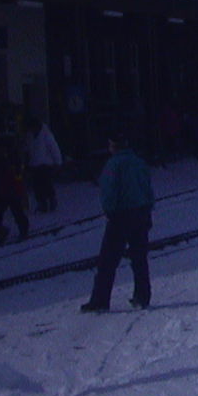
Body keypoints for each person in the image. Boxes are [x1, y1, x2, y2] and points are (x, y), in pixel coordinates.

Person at [81, 129, 154, 313]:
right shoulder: (138, 162)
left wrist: (109, 211)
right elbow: (148, 188)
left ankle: (100, 300)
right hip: (141, 213)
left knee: (107, 261)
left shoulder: (112, 165)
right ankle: (142, 296)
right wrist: (148, 209)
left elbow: (108, 192)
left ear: (113, 146)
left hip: (121, 216)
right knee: (139, 258)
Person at [0, 136, 30, 241]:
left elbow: (17, 174)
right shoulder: (0, 158)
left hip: (11, 189)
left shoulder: (10, 158)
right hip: (4, 188)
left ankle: (23, 229)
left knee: (15, 210)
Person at [24, 116, 62, 213]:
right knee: (37, 186)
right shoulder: (30, 136)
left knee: (46, 184)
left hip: (45, 164)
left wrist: (57, 162)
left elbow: (54, 148)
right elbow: (28, 149)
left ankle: (51, 200)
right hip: (34, 164)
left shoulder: (46, 135)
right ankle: (42, 204)